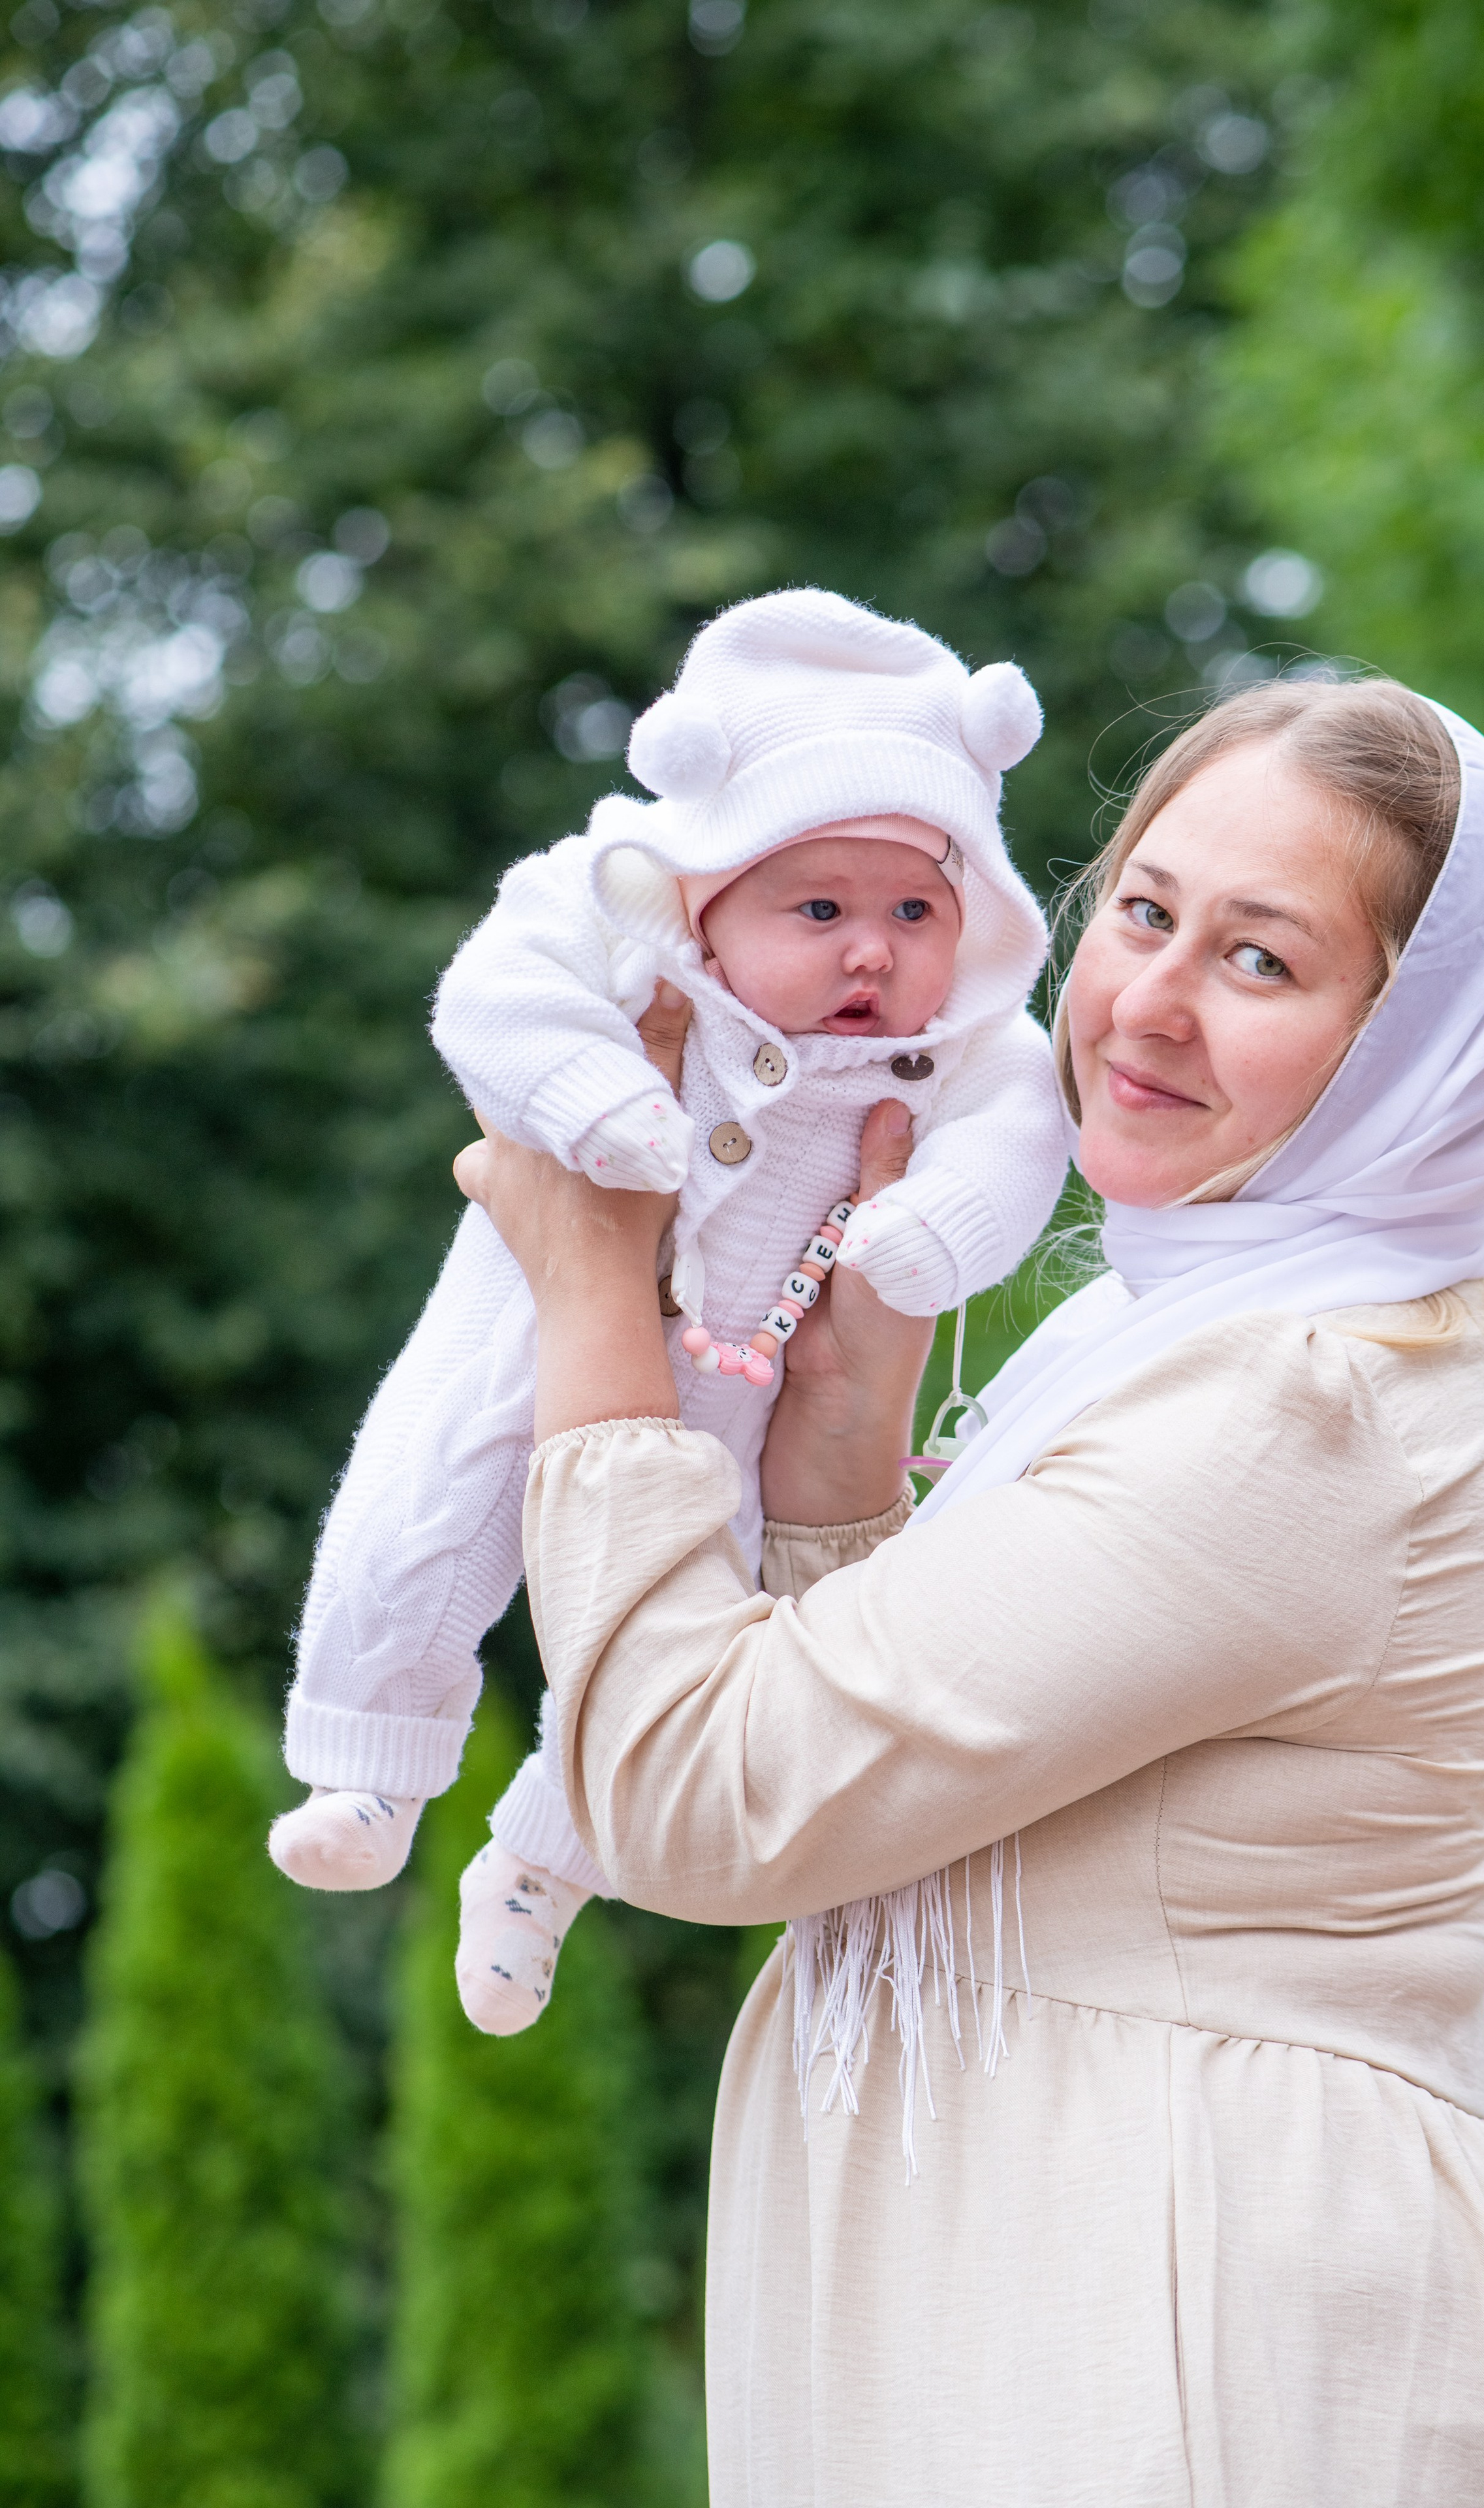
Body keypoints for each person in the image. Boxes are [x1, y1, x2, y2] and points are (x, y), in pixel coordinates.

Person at [456, 675, 1484, 2503]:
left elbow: (705, 1799)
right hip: (1090, 2310)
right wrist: (840, 1453)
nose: (1147, 1004)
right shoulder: (1158, 1335)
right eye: (1144, 910)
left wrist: (589, 1304)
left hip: (1222, 2358)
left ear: (1417, 1047)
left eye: (1259, 961)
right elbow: (907, 1802)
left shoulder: (1297, 1406)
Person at [268, 588, 1070, 2037]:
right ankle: (368, 1759)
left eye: (913, 911)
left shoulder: (963, 1047)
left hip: (744, 1397)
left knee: (705, 1622)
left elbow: (1024, 1136)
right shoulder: (622, 925)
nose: (871, 952)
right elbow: (492, 996)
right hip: (532, 1303)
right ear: (707, 894)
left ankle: (542, 1869)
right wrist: (595, 1098)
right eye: (819, 910)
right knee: (427, 1493)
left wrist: (931, 1232)